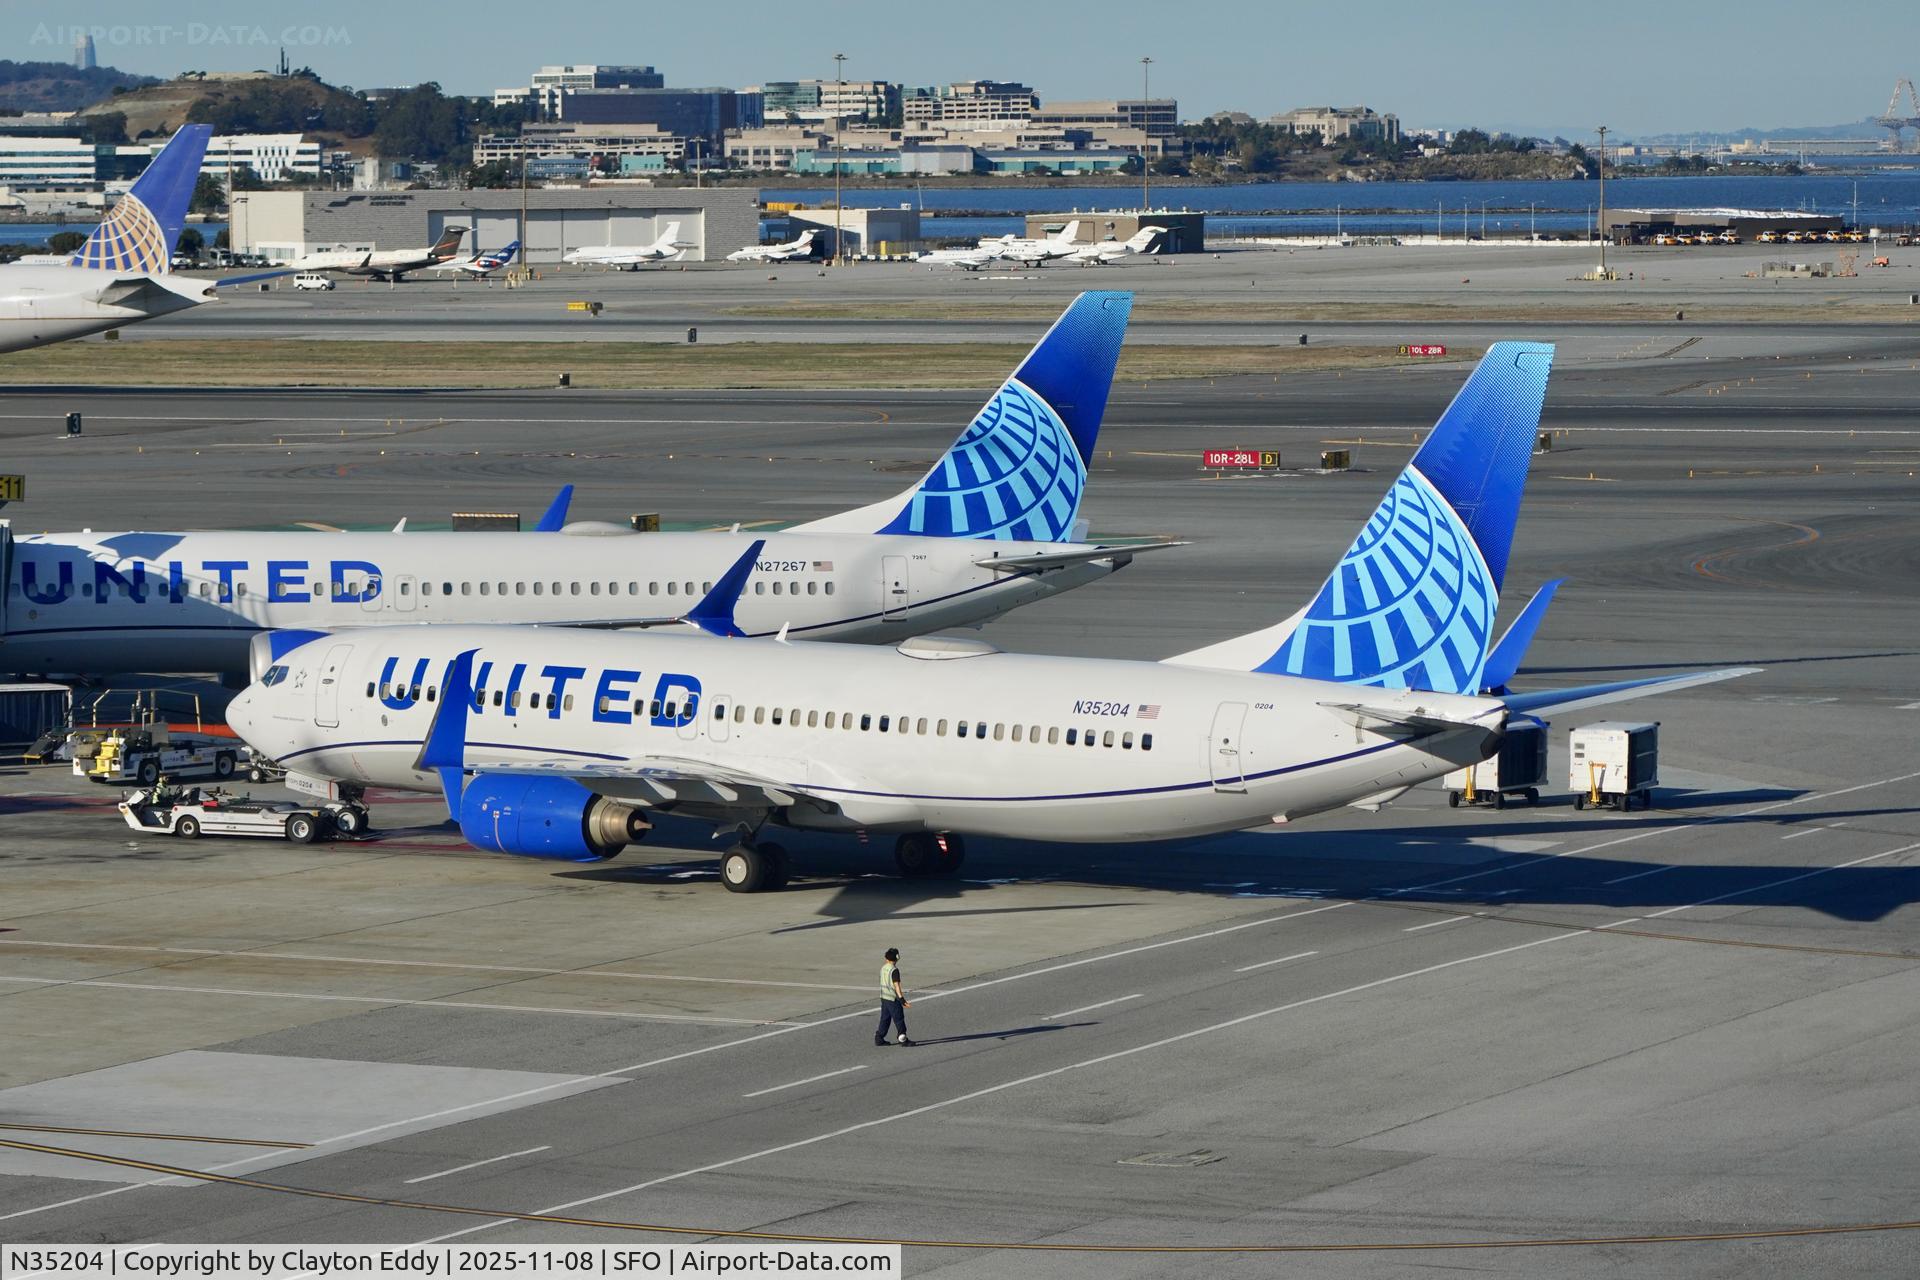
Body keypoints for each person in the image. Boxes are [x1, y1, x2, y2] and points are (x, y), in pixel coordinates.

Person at [875, 946, 912, 1047]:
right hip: (892, 998)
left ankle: (879, 1038)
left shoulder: (883, 968)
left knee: (885, 1018)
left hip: (884, 997)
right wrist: (902, 999)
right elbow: (897, 985)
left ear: (886, 958)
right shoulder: (894, 970)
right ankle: (902, 1038)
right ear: (897, 958)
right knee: (899, 1018)